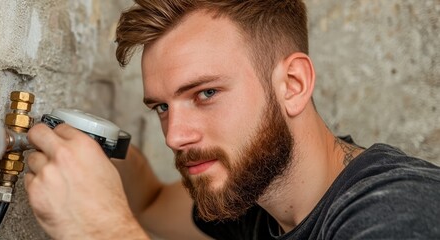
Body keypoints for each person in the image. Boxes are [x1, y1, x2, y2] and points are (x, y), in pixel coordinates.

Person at [23, 0, 440, 239]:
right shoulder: (255, 193)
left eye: (205, 93)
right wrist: (89, 141)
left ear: (292, 84)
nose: (175, 137)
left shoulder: (398, 215)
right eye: (162, 107)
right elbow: (149, 202)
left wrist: (102, 229)